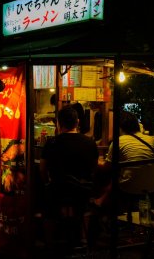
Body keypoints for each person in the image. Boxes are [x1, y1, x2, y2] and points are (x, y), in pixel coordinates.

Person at [40, 104, 98, 248]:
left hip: (58, 190)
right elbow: (94, 168)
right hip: (82, 191)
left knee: (47, 205)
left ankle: (49, 240)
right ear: (77, 122)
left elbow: (42, 169)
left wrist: (46, 183)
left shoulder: (52, 143)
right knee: (85, 206)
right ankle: (83, 238)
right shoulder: (90, 142)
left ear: (58, 123)